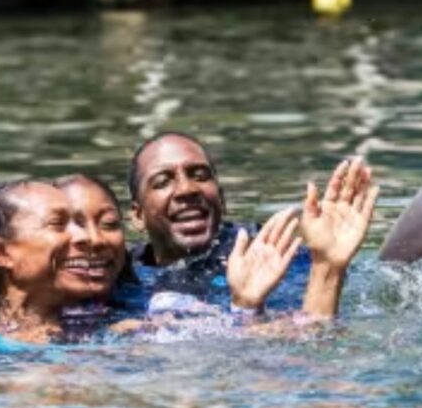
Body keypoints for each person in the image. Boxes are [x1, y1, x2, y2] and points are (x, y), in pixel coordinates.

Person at [0, 175, 307, 341]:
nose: (90, 239)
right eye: (59, 224)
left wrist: (247, 306)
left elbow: (289, 346)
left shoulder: (125, 330)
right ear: (1, 253)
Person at [126, 131, 310, 308]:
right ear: (138, 215)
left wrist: (327, 265)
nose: (187, 189)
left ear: (222, 200)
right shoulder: (122, 273)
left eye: (200, 176)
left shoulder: (266, 253)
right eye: (163, 182)